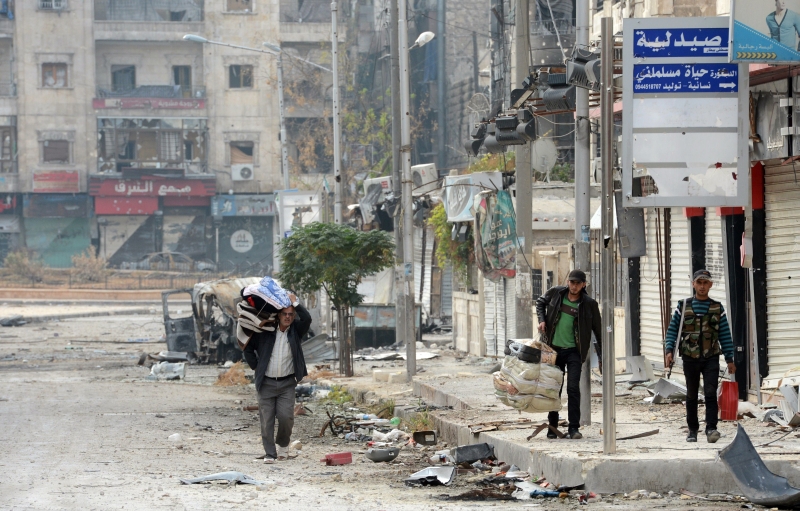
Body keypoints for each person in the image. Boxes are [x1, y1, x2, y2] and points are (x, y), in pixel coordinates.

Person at [665, 269, 736, 444]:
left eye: (705, 283)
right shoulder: (684, 305)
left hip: (711, 357)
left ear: (710, 285)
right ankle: (692, 430)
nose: (702, 286)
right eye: (699, 283)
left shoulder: (717, 308)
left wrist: (730, 358)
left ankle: (711, 428)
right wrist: (669, 351)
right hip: (690, 357)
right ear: (693, 284)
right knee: (691, 394)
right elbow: (673, 330)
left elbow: (725, 334)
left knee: (711, 393)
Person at [243, 289, 311, 463]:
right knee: (266, 422)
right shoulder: (265, 330)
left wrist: (294, 302)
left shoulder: (296, 331)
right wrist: (256, 366)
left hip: (287, 383)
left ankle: (283, 445)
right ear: (278, 315)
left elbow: (307, 319)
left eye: (291, 314)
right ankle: (270, 454)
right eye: (284, 314)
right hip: (265, 383)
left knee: (286, 418)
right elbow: (247, 347)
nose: (288, 317)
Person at [535, 269, 602, 439]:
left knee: (573, 388)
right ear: (568, 282)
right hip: (553, 351)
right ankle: (553, 427)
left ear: (584, 284)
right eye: (572, 282)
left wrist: (602, 358)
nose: (574, 286)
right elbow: (540, 302)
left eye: (578, 283)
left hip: (574, 352)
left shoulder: (589, 304)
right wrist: (542, 320)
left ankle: (574, 428)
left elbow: (599, 332)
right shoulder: (556, 293)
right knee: (554, 389)